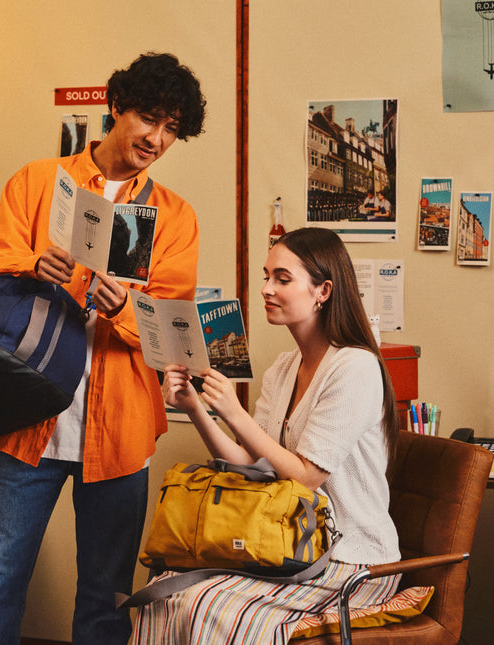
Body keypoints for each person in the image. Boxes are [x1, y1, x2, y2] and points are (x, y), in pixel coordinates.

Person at [0, 52, 206, 645]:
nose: (156, 137)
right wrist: (29, 262)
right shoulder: (37, 181)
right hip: (29, 422)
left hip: (121, 434)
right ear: (115, 106)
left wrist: (123, 307)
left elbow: (171, 334)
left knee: (106, 603)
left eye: (172, 128)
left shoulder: (176, 218)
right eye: (149, 118)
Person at [134, 227, 401, 644]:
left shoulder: (356, 368)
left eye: (282, 278)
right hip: (284, 546)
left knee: (204, 605)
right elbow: (252, 466)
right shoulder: (283, 367)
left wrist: (236, 413)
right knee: (163, 593)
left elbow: (306, 477)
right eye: (266, 276)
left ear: (323, 291)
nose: (266, 289)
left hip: (349, 561)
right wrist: (196, 408)